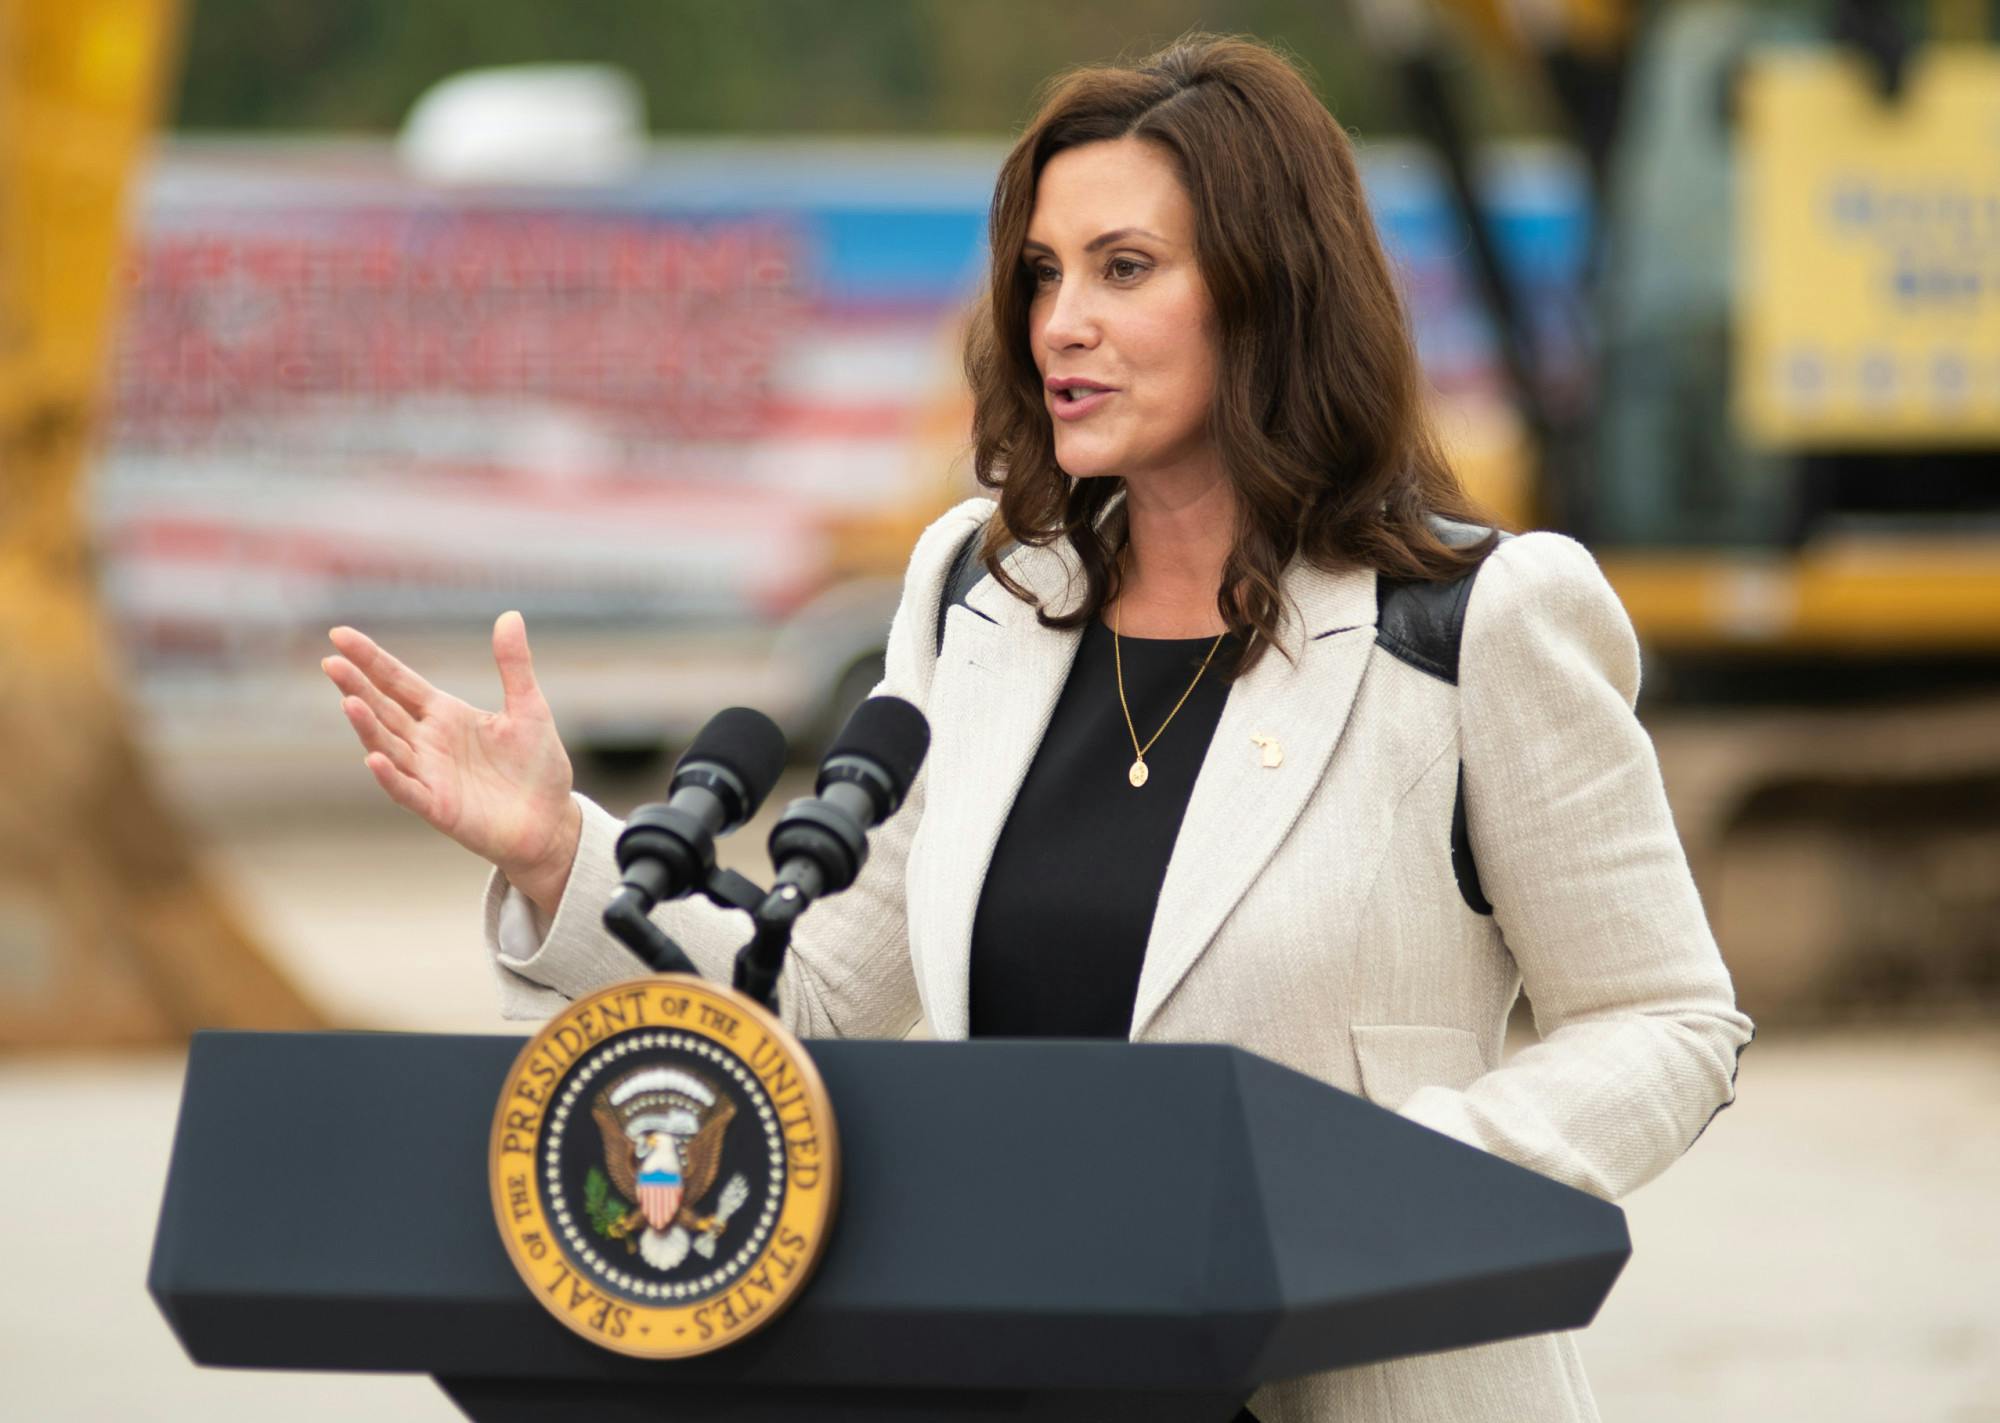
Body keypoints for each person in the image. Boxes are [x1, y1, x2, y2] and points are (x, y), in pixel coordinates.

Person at [323, 34, 1753, 1423]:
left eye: (1125, 270)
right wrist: (555, 855)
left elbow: (1668, 1019)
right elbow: (819, 996)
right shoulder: (979, 592)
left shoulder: (1479, 622)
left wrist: (1396, 1184)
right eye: (1043, 274)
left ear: (1270, 292)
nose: (1060, 320)